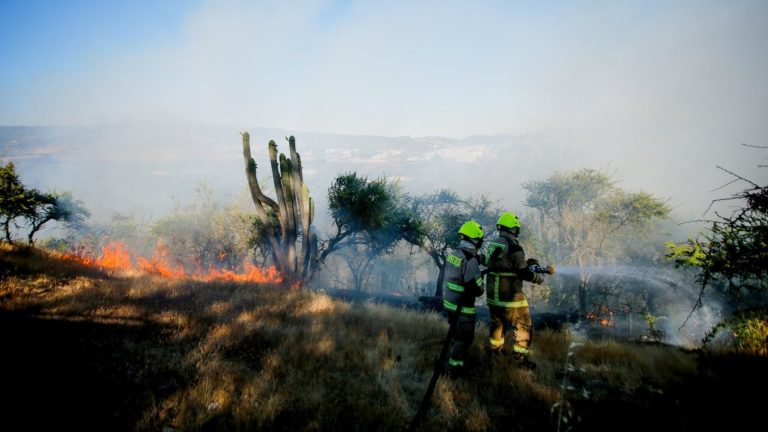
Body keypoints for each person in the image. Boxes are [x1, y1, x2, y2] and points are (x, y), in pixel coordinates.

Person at [485, 211, 550, 368]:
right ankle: (520, 361)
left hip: (493, 297)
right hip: (511, 298)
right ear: (513, 229)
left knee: (497, 325)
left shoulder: (493, 244)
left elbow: (502, 263)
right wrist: (538, 278)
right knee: (523, 327)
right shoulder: (514, 247)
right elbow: (523, 272)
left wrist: (526, 262)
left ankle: (495, 354)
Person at [441, 220, 486, 377]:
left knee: (455, 334)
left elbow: (460, 269)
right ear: (475, 239)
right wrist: (481, 276)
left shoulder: (454, 254)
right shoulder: (470, 261)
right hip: (463, 307)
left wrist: (479, 259)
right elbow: (477, 289)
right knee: (464, 338)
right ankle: (455, 369)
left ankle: (452, 359)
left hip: (450, 303)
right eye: (480, 239)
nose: (481, 241)